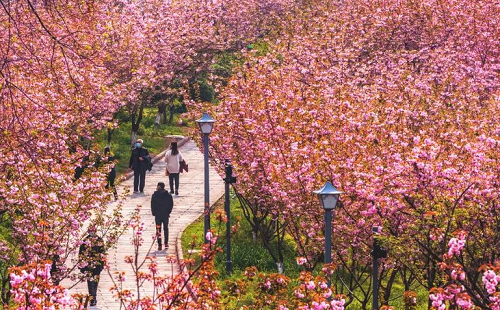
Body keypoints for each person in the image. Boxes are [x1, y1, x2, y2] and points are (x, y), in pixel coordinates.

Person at [78, 227, 105, 306]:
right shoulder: (85, 241)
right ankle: (92, 298)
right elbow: (81, 253)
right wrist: (81, 265)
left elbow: (103, 252)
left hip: (97, 265)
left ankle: (94, 296)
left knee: (95, 282)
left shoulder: (99, 240)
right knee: (90, 282)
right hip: (88, 265)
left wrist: (102, 264)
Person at [151, 182, 173, 251]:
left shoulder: (154, 195)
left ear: (159, 187)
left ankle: (159, 245)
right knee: (166, 228)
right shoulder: (168, 195)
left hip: (158, 215)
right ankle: (166, 243)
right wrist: (168, 212)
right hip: (165, 215)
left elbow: (152, 204)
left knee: (158, 229)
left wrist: (154, 213)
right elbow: (171, 204)